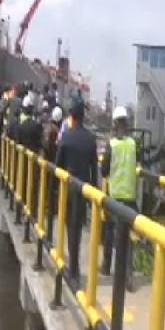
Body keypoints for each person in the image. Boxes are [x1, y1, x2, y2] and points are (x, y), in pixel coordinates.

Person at [55, 96, 98, 281]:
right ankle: (75, 267)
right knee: (77, 227)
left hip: (68, 188)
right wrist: (94, 194)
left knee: (68, 225)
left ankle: (72, 267)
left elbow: (57, 165)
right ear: (83, 116)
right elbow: (94, 169)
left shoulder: (65, 137)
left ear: (71, 115)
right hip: (84, 189)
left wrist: (54, 190)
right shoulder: (90, 139)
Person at [100, 106, 138, 292]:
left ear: (115, 124)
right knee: (128, 238)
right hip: (130, 197)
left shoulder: (112, 145)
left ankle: (107, 266)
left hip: (115, 196)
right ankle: (128, 276)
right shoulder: (133, 144)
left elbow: (103, 171)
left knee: (110, 231)